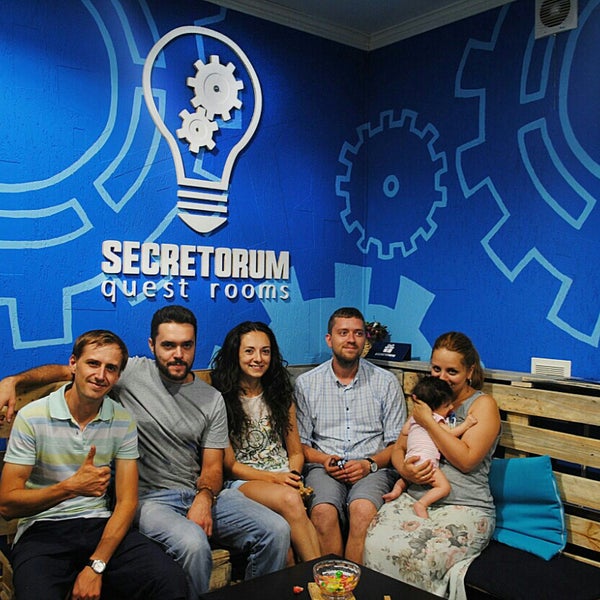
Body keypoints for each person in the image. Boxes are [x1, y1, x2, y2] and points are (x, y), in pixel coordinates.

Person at [0, 306, 290, 598]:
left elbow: (213, 467)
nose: (178, 354)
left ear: (195, 345)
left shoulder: (211, 399)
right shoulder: (126, 372)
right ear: (152, 345)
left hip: (199, 493)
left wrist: (204, 497)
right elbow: (70, 371)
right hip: (151, 499)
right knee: (192, 543)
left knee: (276, 530)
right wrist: (14, 381)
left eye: (186, 345)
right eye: (168, 345)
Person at [0, 330, 188, 600]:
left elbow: (127, 502)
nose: (101, 375)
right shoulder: (32, 417)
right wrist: (70, 488)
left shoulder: (122, 420)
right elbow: (7, 505)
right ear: (73, 364)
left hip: (100, 526)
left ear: (118, 376)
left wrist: (96, 565)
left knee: (169, 579)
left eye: (111, 368)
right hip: (42, 530)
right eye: (93, 363)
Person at [363, 331, 501, 600]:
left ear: (470, 371)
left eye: (452, 371)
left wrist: (428, 421)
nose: (442, 377)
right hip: (416, 497)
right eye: (436, 369)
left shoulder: (482, 405)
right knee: (374, 541)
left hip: (465, 504)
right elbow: (399, 448)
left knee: (419, 556)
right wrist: (405, 470)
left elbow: (466, 461)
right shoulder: (428, 398)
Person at [294, 307, 406, 563]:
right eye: (343, 333)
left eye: (358, 333)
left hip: (373, 467)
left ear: (365, 339)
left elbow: (398, 444)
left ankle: (354, 583)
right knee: (323, 512)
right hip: (324, 467)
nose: (351, 339)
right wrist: (324, 460)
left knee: (363, 510)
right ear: (329, 339)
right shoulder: (307, 383)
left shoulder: (385, 382)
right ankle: (330, 582)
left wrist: (369, 464)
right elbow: (300, 444)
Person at [210, 321, 321, 563]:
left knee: (289, 542)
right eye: (249, 351)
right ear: (235, 354)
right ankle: (322, 575)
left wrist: (292, 476)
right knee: (290, 500)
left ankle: (315, 577)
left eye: (265, 351)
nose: (258, 358)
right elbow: (230, 466)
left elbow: (296, 452)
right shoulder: (220, 398)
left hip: (284, 478)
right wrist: (276, 480)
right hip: (244, 481)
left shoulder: (280, 393)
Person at [383, 375, 477, 518]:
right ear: (432, 409)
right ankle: (422, 504)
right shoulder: (436, 420)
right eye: (446, 405)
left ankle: (395, 491)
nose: (451, 407)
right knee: (444, 487)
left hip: (411, 459)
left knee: (405, 480)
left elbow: (405, 431)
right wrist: (467, 424)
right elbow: (451, 434)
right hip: (427, 463)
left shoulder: (414, 418)